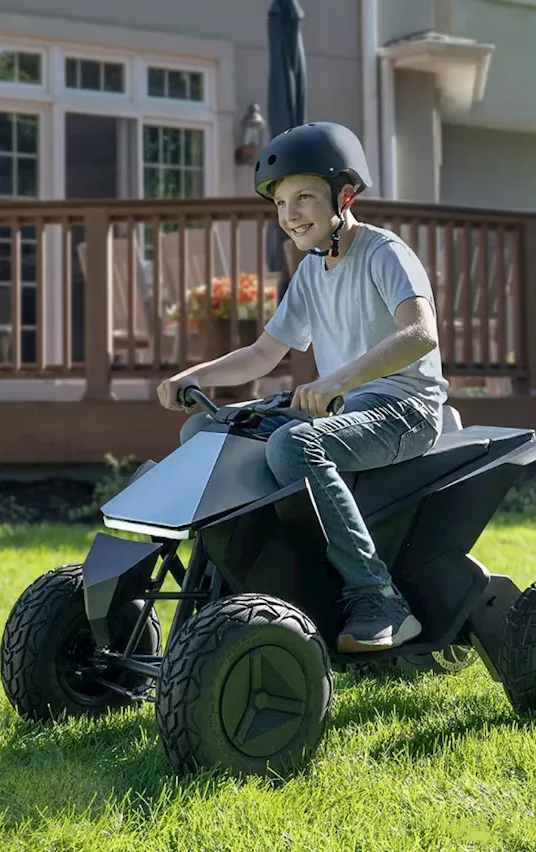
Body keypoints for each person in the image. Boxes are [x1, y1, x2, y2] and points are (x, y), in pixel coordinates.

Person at [156, 121, 449, 654]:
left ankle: (378, 596)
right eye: (281, 203)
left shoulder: (384, 253)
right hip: (345, 406)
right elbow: (264, 353)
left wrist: (338, 378)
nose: (290, 215)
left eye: (304, 198)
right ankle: (229, 584)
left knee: (292, 443)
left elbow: (421, 334)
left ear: (344, 195)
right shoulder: (313, 271)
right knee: (205, 428)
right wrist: (197, 376)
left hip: (406, 409)